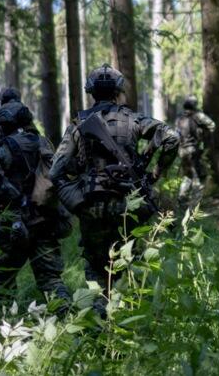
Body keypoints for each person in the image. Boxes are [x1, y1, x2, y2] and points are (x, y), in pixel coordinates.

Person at [49, 64, 179, 307]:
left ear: (91, 92)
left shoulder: (78, 124)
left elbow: (55, 170)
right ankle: (130, 316)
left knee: (97, 271)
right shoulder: (134, 119)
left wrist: (74, 195)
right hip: (129, 203)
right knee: (129, 263)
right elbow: (172, 137)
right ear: (118, 91)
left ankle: (101, 317)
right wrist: (156, 173)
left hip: (92, 206)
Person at [0, 100, 71, 308]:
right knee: (51, 280)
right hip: (45, 221)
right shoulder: (43, 142)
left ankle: (3, 320)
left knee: (4, 281)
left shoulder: (3, 148)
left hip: (12, 224)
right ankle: (67, 315)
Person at [162, 96, 215, 210]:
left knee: (187, 176)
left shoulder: (179, 118)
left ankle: (182, 199)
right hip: (194, 151)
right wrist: (204, 132)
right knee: (200, 177)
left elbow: (176, 134)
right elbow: (212, 125)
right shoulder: (198, 115)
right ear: (194, 105)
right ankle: (194, 206)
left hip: (182, 151)